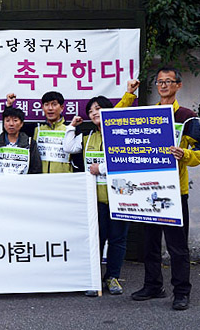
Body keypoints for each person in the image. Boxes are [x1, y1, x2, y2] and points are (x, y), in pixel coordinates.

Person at [131, 67, 200, 310]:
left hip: (174, 191)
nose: (163, 85)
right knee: (149, 243)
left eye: (168, 81)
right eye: (160, 81)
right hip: (147, 190)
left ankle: (181, 292)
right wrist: (130, 95)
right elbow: (115, 124)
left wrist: (185, 155)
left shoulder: (187, 117)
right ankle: (153, 285)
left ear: (178, 85)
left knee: (177, 247)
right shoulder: (147, 114)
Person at [63, 81, 139, 296]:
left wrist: (102, 168)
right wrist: (72, 126)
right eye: (91, 111)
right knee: (96, 239)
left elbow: (128, 159)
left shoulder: (121, 133)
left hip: (120, 197)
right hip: (96, 199)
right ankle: (94, 278)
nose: (94, 113)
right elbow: (68, 147)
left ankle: (112, 277)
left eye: (98, 108)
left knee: (118, 239)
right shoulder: (88, 137)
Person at [6, 91, 74, 174]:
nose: (50, 108)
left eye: (54, 104)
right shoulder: (36, 128)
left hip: (64, 178)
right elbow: (11, 129)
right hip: (40, 178)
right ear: (42, 107)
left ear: (62, 107)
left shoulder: (70, 128)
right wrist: (9, 106)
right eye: (46, 105)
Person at [0, 106, 42, 175]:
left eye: (15, 120)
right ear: (4, 123)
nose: (11, 124)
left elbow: (36, 168)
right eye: (7, 121)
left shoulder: (30, 143)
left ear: (21, 124)